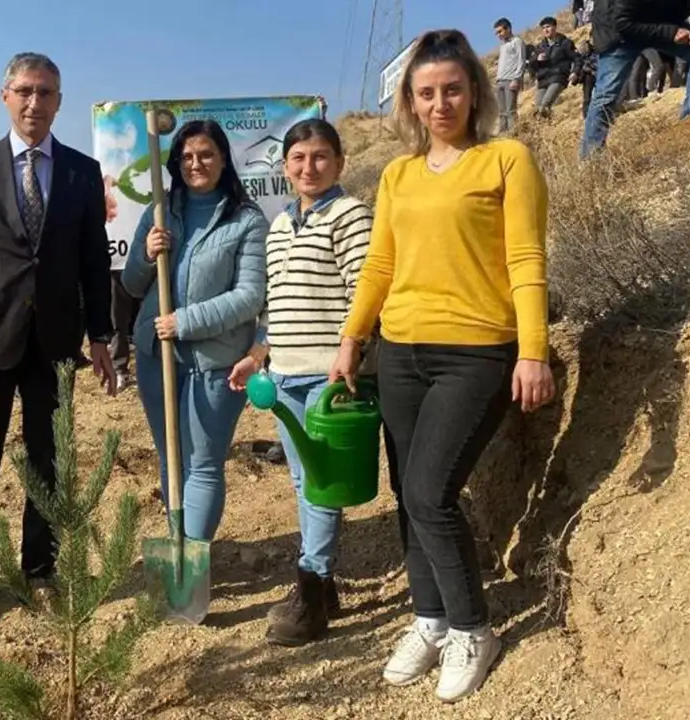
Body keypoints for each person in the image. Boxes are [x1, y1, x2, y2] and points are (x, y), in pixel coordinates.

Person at [329, 29, 556, 703]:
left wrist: (534, 350)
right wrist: (353, 336)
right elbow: (380, 265)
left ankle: (471, 628)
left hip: (477, 352)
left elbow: (526, 260)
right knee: (409, 494)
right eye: (425, 93)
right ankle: (428, 617)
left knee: (432, 493)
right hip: (399, 353)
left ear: (475, 92)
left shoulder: (507, 160)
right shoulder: (398, 174)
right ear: (409, 100)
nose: (440, 104)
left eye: (452, 89)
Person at [0, 52, 117, 634]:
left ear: (60, 102)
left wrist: (102, 334)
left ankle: (41, 568)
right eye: (26, 91)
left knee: (49, 457)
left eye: (48, 93)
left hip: (55, 339)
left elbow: (92, 260)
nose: (37, 103)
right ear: (6, 95)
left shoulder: (83, 172)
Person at [227, 119, 373, 647]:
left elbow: (366, 291)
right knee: (301, 484)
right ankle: (325, 582)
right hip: (284, 376)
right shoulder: (282, 223)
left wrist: (350, 352)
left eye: (320, 157)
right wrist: (258, 358)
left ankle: (311, 592)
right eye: (298, 159)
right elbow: (277, 309)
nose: (308, 167)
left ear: (339, 161)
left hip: (325, 378)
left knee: (319, 487)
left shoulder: (350, 214)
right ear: (284, 166)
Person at [120, 119, 267, 552]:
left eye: (205, 154)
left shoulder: (246, 220)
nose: (195, 163)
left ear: (223, 158)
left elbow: (248, 297)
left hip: (216, 361)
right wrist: (147, 255)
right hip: (156, 355)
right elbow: (131, 284)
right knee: (170, 458)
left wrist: (185, 321)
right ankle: (176, 547)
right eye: (186, 156)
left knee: (202, 464)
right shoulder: (162, 210)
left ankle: (192, 558)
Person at [579, 0, 690, 159]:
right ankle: (591, 158)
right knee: (607, 94)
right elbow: (622, 22)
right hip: (618, 31)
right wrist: (671, 33)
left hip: (659, 19)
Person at [530, 16, 577, 119]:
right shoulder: (540, 46)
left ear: (555, 27)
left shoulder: (565, 43)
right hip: (543, 80)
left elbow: (577, 58)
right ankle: (545, 128)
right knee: (537, 109)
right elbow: (532, 65)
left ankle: (548, 126)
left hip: (558, 78)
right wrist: (537, 59)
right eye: (543, 28)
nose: (545, 30)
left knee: (545, 105)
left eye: (548, 27)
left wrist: (574, 72)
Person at [493, 18, 526, 133]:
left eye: (500, 31)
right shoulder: (503, 45)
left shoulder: (517, 42)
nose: (498, 35)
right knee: (501, 111)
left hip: (511, 80)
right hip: (500, 80)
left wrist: (516, 79)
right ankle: (503, 134)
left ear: (508, 29)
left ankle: (514, 134)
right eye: (497, 33)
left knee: (510, 110)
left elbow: (521, 61)